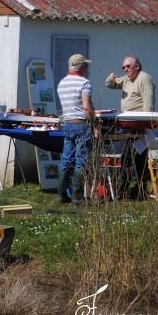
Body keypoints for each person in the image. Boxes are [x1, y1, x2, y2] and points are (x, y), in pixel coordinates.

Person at [106, 54, 156, 200]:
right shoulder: (127, 79)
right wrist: (110, 78)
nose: (125, 69)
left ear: (137, 66)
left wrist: (145, 125)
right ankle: (124, 188)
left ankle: (139, 189)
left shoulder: (144, 78)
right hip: (128, 125)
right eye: (123, 67)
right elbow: (112, 84)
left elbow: (149, 103)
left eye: (128, 66)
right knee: (126, 158)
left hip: (140, 126)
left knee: (140, 159)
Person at [56, 54, 99, 205]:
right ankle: (77, 197)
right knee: (81, 160)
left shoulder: (62, 83)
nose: (87, 69)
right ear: (81, 66)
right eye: (86, 66)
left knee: (67, 159)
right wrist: (94, 124)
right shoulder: (84, 83)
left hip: (67, 123)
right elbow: (86, 107)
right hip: (81, 124)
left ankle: (61, 195)